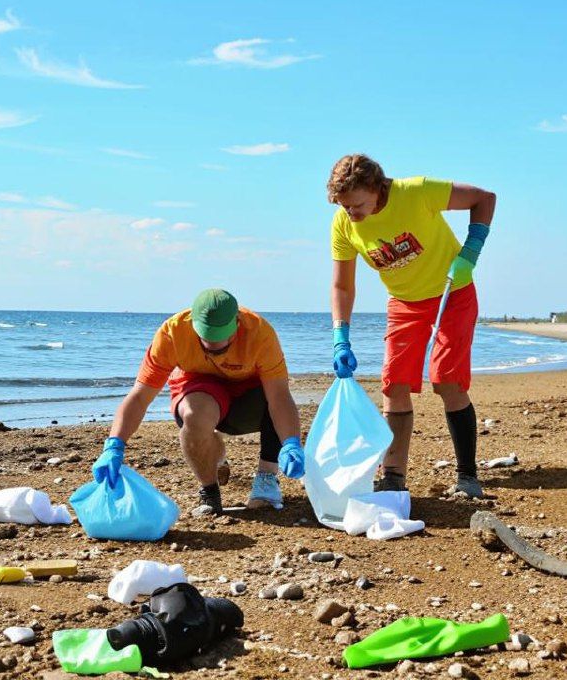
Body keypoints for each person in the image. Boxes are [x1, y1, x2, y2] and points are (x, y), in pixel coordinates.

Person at [326, 154, 496, 498]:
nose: (351, 215)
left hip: (454, 291)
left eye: (357, 205)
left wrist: (470, 252)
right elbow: (342, 285)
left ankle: (467, 476)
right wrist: (340, 336)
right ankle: (392, 476)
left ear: (377, 188)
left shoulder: (416, 191)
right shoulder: (344, 225)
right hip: (404, 302)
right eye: (345, 207)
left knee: (447, 379)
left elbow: (484, 198)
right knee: (394, 383)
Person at [93, 289, 305, 516]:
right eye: (207, 341)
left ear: (237, 322)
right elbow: (139, 396)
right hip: (200, 391)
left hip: (249, 399)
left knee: (271, 398)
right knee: (194, 416)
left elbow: (279, 397)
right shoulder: (172, 333)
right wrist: (115, 444)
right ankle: (210, 492)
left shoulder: (260, 333)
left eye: (224, 344)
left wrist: (291, 442)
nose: (216, 350)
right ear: (193, 323)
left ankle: (266, 480)